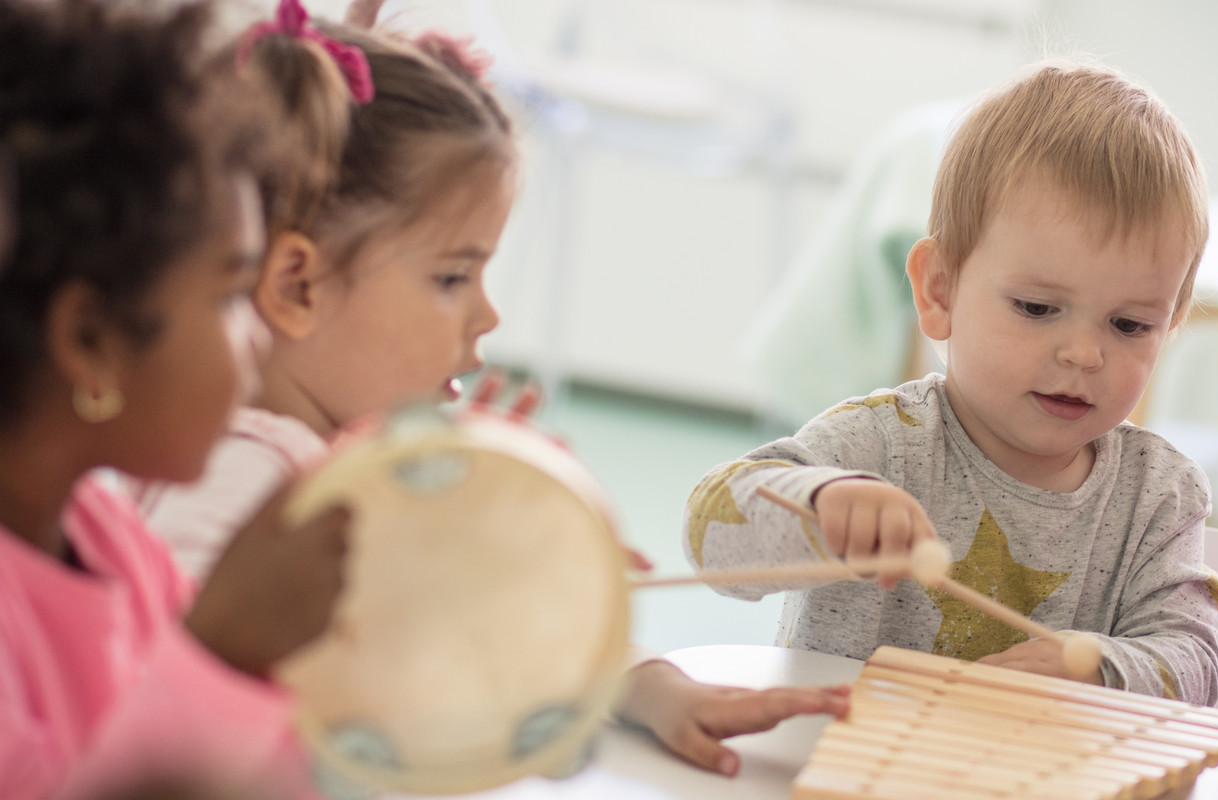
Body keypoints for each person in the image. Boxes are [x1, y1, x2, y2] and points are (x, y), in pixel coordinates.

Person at [112, 0, 845, 777]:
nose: (487, 312)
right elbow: (178, 741)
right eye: (452, 276)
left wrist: (653, 686)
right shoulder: (241, 486)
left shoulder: (340, 463)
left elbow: (484, 628)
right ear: (298, 285)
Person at [682, 60, 1218, 703]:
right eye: (1036, 308)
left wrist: (1097, 668)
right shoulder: (879, 445)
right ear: (939, 290)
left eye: (1130, 325)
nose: (1084, 354)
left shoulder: (1159, 494)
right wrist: (814, 504)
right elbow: (709, 536)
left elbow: (1193, 664)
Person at [0, 1, 351, 795]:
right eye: (230, 295)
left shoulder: (107, 535)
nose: (258, 336)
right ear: (90, 339)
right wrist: (220, 650)